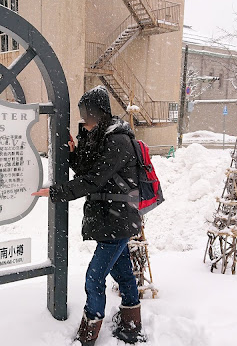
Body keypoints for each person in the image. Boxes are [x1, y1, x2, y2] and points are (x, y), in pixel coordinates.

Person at [32, 86, 145, 345]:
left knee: (94, 278)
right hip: (112, 220)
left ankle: (90, 331)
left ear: (99, 111)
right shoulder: (102, 137)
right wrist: (74, 154)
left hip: (118, 219)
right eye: (83, 113)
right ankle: (131, 322)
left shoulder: (117, 140)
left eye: (87, 113)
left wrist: (55, 192)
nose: (84, 119)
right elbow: (89, 171)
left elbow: (94, 180)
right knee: (123, 272)